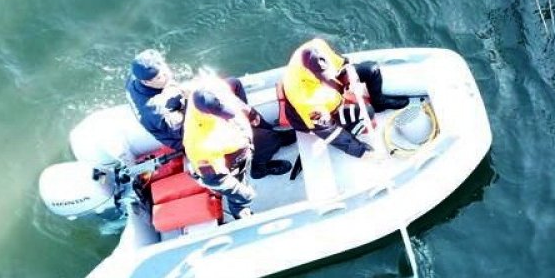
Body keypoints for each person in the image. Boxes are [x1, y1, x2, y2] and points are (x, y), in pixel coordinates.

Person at [275, 38, 407, 158]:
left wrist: (350, 79)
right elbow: (328, 131)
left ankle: (379, 102)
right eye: (323, 78)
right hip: (316, 117)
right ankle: (350, 133)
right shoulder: (305, 99)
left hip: (331, 98)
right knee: (367, 111)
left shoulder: (317, 45)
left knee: (372, 70)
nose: (330, 80)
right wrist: (361, 152)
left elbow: (343, 64)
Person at [182, 79, 291, 220]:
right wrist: (242, 194)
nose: (230, 115)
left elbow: (231, 98)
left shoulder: (209, 87)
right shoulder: (199, 146)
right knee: (240, 190)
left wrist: (250, 113)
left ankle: (260, 165)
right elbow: (215, 179)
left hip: (243, 142)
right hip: (230, 162)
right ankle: (241, 212)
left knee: (270, 139)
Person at [125, 49, 186, 151]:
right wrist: (174, 91)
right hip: (179, 137)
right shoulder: (156, 109)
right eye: (158, 77)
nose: (166, 75)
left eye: (163, 69)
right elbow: (183, 131)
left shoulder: (139, 70)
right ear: (146, 82)